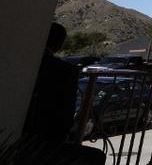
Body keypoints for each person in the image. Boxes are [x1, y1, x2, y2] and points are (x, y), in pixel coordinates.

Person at [21, 22, 105, 165]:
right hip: (43, 142)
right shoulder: (64, 71)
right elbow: (65, 114)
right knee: (95, 157)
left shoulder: (20, 61)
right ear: (59, 45)